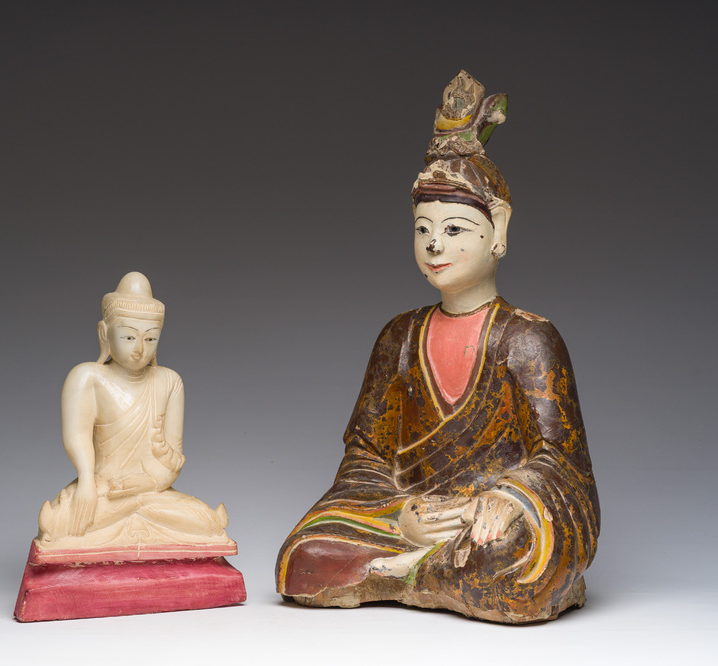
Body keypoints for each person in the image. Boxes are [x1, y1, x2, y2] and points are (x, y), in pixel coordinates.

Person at [276, 71, 599, 623]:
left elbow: (562, 463)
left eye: (454, 229)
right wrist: (402, 516)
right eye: (423, 229)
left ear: (497, 230)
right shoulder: (399, 337)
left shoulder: (529, 338)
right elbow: (366, 457)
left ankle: (405, 572)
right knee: (299, 559)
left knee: (517, 557)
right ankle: (426, 564)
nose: (433, 244)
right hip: (412, 514)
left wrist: (512, 498)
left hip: (486, 521)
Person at [37, 272, 231, 550]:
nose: (140, 349)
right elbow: (77, 437)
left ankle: (137, 509)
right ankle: (132, 512)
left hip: (151, 491)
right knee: (62, 522)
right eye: (129, 337)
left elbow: (173, 459)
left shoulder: (170, 382)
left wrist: (147, 484)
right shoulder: (87, 378)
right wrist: (87, 484)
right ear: (104, 333)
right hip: (102, 490)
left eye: (150, 339)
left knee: (207, 521)